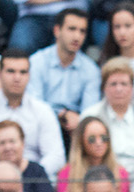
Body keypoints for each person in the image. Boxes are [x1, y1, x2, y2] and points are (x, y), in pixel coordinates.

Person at [28, 9, 99, 140]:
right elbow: (34, 104)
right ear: (57, 30)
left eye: (82, 31)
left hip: (76, 130)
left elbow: (90, 111)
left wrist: (77, 120)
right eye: (72, 29)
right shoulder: (37, 62)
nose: (77, 36)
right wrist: (61, 115)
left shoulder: (91, 69)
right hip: (41, 126)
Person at [0, 49, 66, 177]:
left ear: (29, 75)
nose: (17, 78)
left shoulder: (43, 110)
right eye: (11, 71)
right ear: (0, 74)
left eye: (23, 72)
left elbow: (56, 156)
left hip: (33, 181)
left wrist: (30, 175)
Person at [79, 58, 134, 168]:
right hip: (102, 174)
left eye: (124, 84)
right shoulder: (89, 116)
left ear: (132, 88)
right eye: (113, 84)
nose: (119, 89)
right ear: (104, 88)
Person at [55, 115, 128, 192]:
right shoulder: (67, 174)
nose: (99, 143)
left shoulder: (120, 173)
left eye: (104, 137)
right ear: (81, 141)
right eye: (92, 139)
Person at [0, 119, 57, 192]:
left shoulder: (36, 171)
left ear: (23, 143)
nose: (8, 147)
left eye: (12, 141)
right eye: (2, 143)